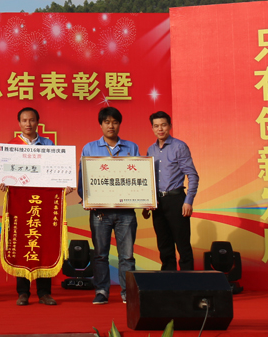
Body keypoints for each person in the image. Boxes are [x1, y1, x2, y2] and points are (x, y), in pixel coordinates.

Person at [0, 107, 65, 306]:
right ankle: (23, 293)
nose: (28, 124)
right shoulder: (11, 146)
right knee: (22, 241)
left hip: (43, 202)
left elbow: (57, 170)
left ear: (38, 122)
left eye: (32, 120)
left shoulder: (48, 145)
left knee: (44, 241)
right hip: (20, 203)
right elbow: (3, 173)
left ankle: (44, 293)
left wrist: (65, 183)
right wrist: (2, 181)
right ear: (19, 123)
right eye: (24, 120)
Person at [79, 107, 140, 305]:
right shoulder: (89, 148)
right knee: (100, 255)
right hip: (100, 212)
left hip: (126, 212)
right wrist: (86, 198)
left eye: (114, 122)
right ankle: (102, 291)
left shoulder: (132, 147)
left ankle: (128, 292)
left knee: (127, 256)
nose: (111, 126)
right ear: (101, 124)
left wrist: (144, 199)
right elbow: (83, 178)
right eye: (107, 122)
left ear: (119, 124)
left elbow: (140, 177)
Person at [142, 111, 198, 270]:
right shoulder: (151, 150)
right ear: (152, 128)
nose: (160, 129)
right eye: (156, 126)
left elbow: (193, 176)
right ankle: (168, 279)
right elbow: (148, 179)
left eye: (163, 125)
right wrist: (147, 203)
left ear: (170, 126)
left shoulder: (179, 147)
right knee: (164, 245)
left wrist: (188, 201)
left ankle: (188, 281)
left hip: (176, 200)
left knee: (182, 244)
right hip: (158, 203)